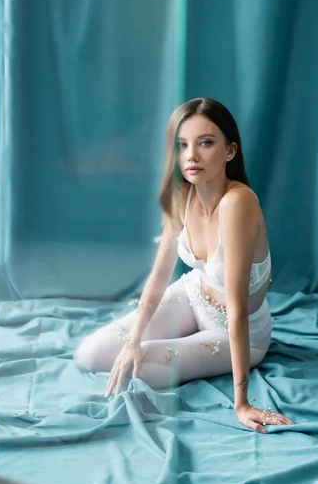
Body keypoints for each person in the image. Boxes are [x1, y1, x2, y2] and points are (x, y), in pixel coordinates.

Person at [74, 97, 295, 433]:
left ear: (230, 151)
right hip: (192, 296)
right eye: (183, 145)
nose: (191, 155)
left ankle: (178, 349)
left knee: (140, 365)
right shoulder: (181, 195)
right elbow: (160, 276)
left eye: (205, 143)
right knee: (91, 355)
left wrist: (242, 404)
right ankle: (155, 338)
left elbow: (236, 309)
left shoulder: (238, 203)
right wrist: (133, 337)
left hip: (238, 330)